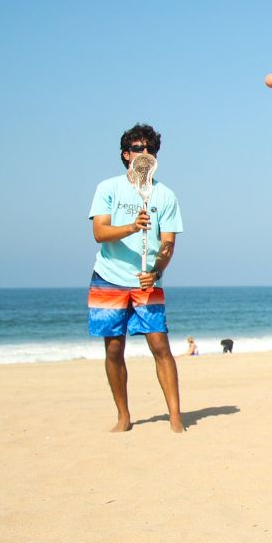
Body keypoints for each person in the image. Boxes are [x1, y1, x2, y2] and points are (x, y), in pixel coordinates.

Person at [87, 123, 185, 433]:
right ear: (126, 154)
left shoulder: (165, 195)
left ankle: (175, 417)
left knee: (160, 346)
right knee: (114, 349)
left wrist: (156, 271)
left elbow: (168, 242)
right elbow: (99, 233)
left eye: (151, 149)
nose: (145, 154)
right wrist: (131, 226)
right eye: (139, 149)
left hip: (147, 282)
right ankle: (124, 416)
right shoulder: (108, 188)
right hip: (109, 278)